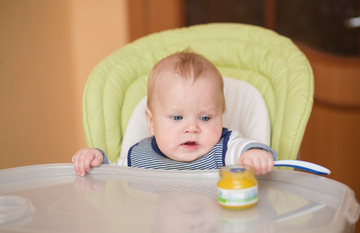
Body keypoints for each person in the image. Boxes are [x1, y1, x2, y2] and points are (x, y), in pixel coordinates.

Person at [72, 51, 277, 176]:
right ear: (151, 122)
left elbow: (244, 149)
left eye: (205, 118)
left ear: (221, 115)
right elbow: (114, 179)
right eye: (177, 117)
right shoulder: (139, 156)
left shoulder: (224, 148)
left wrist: (254, 155)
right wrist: (96, 159)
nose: (191, 128)